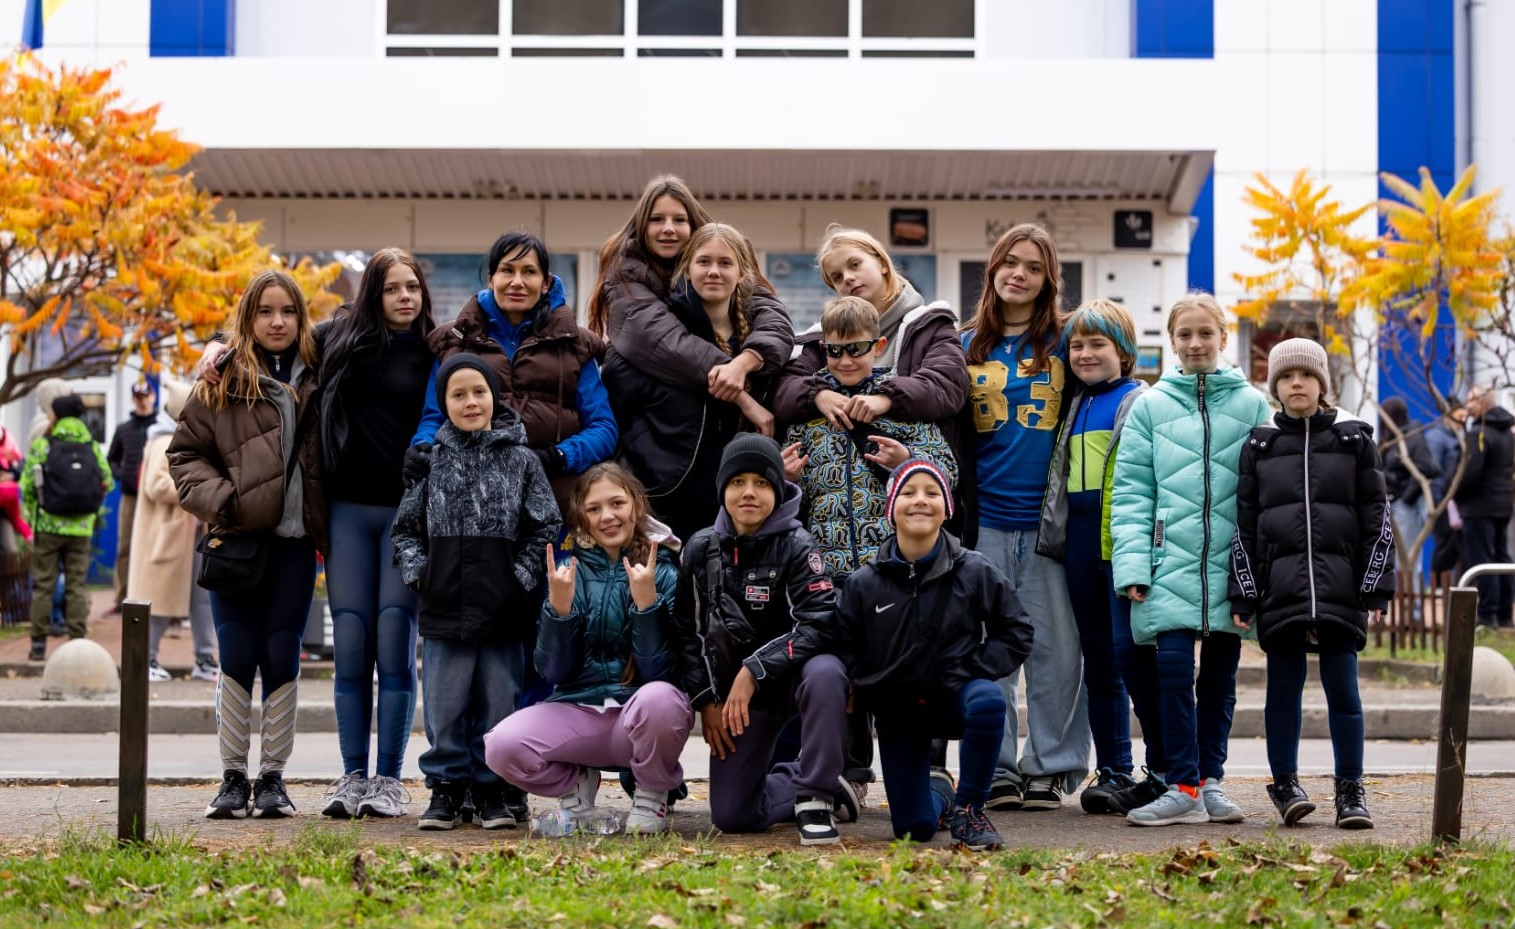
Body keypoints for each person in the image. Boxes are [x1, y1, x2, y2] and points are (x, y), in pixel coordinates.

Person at [168, 269, 327, 820]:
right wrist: (227, 501)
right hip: (235, 541)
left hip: (294, 545)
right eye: (265, 311)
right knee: (236, 654)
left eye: (288, 311)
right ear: (247, 318)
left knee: (282, 653)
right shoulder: (220, 378)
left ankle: (274, 779)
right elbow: (184, 454)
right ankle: (233, 777)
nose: (277, 322)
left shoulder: (320, 374)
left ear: (301, 317)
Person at [1110, 291, 1272, 826]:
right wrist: (1133, 566)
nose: (1196, 343)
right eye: (1185, 334)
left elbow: (1267, 493)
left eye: (1206, 333)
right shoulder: (1150, 406)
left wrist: (1258, 572)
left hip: (1231, 568)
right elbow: (1132, 492)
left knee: (1220, 679)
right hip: (1167, 564)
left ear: (1223, 338)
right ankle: (1181, 784)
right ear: (1172, 341)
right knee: (1173, 671)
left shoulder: (1253, 406)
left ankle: (1211, 781)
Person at [392, 353, 562, 831]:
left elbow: (546, 525)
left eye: (479, 392)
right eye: (458, 394)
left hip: (502, 608)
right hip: (444, 604)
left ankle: (491, 787)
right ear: (444, 403)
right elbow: (404, 530)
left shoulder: (521, 460)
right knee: (444, 705)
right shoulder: (430, 463)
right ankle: (446, 786)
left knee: (499, 700)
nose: (470, 402)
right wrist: (421, 574)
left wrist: (520, 577)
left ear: (495, 397)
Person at [1231, 338, 1393, 830]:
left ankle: (1351, 791)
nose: (1296, 383)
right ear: (1274, 386)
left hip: (1341, 587)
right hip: (1280, 589)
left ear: (1322, 383)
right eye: (1285, 377)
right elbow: (1244, 524)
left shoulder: (1353, 441)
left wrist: (1376, 585)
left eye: (1305, 375)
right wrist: (1244, 591)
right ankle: (1285, 785)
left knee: (1344, 691)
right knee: (1283, 691)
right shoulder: (1259, 446)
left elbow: (1377, 517)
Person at [832, 459, 1033, 850]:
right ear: (891, 508)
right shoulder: (864, 582)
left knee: (988, 700)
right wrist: (871, 687)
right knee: (914, 829)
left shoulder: (975, 570)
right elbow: (846, 646)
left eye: (932, 492)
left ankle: (969, 809)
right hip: (899, 709)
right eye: (908, 492)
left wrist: (968, 668)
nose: (920, 501)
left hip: (955, 693)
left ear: (947, 508)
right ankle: (941, 793)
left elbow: (1017, 631)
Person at [483, 464, 692, 834]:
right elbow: (553, 672)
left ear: (636, 504)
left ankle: (651, 791)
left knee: (661, 700)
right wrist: (559, 612)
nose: (607, 516)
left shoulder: (663, 571)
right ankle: (576, 780)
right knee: (501, 746)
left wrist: (647, 606)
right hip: (579, 712)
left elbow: (661, 673)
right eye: (594, 508)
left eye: (616, 503)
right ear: (582, 516)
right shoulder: (568, 573)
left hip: (636, 718)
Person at [671, 434, 854, 845]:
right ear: (723, 489)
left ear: (778, 489)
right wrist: (706, 700)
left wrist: (754, 669)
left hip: (792, 679)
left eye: (761, 482)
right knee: (733, 815)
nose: (749, 492)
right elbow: (688, 633)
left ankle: (816, 795)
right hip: (741, 700)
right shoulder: (700, 548)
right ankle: (802, 780)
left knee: (827, 672)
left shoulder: (799, 545)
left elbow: (819, 624)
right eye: (738, 482)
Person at [959, 222, 1086, 812]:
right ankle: (998, 768)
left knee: (1056, 654)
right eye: (1011, 262)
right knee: (989, 651)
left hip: (1049, 525)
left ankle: (1051, 767)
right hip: (982, 520)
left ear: (1048, 279)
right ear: (993, 269)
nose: (1020, 274)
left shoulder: (1068, 340)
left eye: (1034, 267)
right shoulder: (964, 345)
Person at [317, 248, 437, 821]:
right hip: (346, 510)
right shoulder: (339, 340)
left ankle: (388, 778)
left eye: (412, 287)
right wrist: (218, 346)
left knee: (394, 636)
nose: (404, 297)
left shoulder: (437, 349)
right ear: (374, 294)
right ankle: (351, 775)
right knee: (351, 640)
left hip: (403, 512)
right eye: (392, 288)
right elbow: (270, 336)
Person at [1035, 300, 1163, 815]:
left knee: (1136, 658)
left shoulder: (1139, 401)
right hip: (1080, 545)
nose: (1086, 354)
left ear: (1125, 352)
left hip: (1122, 545)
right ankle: (1114, 769)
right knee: (1099, 661)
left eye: (1098, 344)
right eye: (1077, 346)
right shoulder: (1073, 404)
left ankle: (1165, 767)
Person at [603, 222, 792, 540]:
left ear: (742, 274)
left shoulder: (756, 343)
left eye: (725, 263)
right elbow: (617, 401)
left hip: (736, 508)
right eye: (704, 262)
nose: (714, 272)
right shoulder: (665, 332)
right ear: (687, 271)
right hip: (664, 500)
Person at [409, 233, 616, 516]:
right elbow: (434, 417)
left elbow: (603, 427)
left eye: (529, 271)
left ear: (545, 283)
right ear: (491, 279)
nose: (517, 281)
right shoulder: (453, 341)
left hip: (555, 501)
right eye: (507, 270)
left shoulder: (576, 344)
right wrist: (421, 447)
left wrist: (557, 456)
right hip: (471, 504)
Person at [774, 225, 968, 488]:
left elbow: (948, 386)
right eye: (837, 277)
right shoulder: (820, 338)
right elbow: (784, 391)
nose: (848, 278)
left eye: (855, 264)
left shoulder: (931, 324)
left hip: (914, 491)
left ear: (882, 263)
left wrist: (886, 398)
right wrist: (818, 395)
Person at [21, 393, 113, 661]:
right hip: (81, 528)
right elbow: (107, 480)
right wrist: (90, 509)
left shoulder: (44, 444)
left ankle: (38, 645)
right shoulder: (91, 445)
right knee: (76, 585)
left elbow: (27, 485)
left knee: (43, 585)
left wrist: (34, 513)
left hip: (48, 525)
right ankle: (77, 643)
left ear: (56, 415)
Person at [130, 378, 200, 681]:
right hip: (165, 534)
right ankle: (145, 660)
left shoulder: (172, 438)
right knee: (157, 602)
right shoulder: (164, 442)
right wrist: (195, 490)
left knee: (190, 599)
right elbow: (156, 485)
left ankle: (203, 658)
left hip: (176, 533)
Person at [1453, 385, 1514, 628]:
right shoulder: (1507, 433)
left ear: (1482, 403)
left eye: (1471, 400)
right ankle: (1504, 613)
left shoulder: (1478, 433)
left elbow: (1470, 473)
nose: (1467, 406)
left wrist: (1456, 494)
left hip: (1479, 506)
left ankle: (1487, 615)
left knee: (1482, 560)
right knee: (1501, 558)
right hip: (1502, 503)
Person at [1378, 396, 1439, 597]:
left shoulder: (1412, 438)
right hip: (1393, 505)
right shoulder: (1391, 440)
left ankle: (1414, 608)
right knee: (1396, 559)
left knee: (1408, 561)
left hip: (1405, 507)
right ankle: (1405, 605)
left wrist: (1406, 497)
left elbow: (1428, 468)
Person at [108, 380, 158, 613]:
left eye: (145, 396)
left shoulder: (160, 427)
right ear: (132, 399)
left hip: (155, 497)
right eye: (138, 397)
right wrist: (124, 475)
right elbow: (111, 459)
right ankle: (121, 599)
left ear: (153, 397)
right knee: (125, 547)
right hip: (130, 496)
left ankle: (154, 598)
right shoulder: (124, 429)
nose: (142, 401)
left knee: (154, 547)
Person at [1425, 396, 1466, 579]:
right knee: (1445, 546)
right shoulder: (1437, 438)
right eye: (1459, 417)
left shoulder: (1457, 437)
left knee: (1456, 547)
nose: (1462, 422)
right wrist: (1439, 500)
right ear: (1447, 416)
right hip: (1442, 502)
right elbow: (1432, 471)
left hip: (1453, 503)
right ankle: (1438, 586)